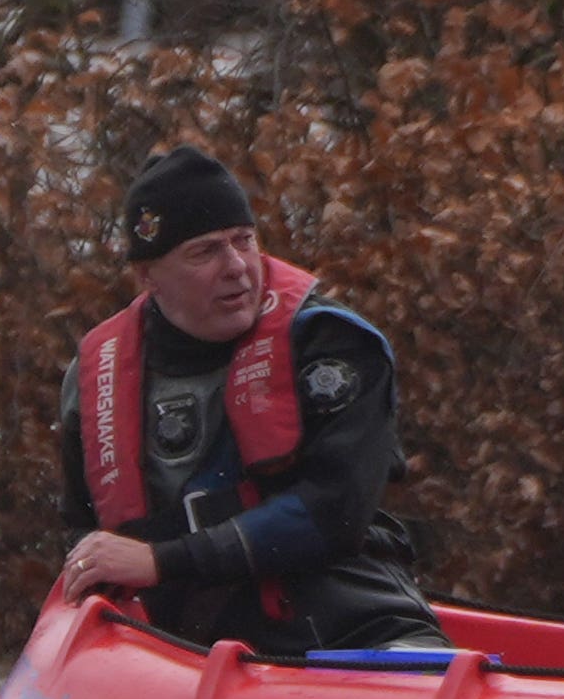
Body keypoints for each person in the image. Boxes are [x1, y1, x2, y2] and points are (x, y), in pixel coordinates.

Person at [54, 146, 446, 656]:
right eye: (205, 252)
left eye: (244, 241)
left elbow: (336, 512)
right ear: (147, 277)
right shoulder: (93, 379)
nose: (237, 267)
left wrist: (162, 561)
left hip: (351, 622)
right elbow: (83, 533)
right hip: (181, 649)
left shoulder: (331, 346)